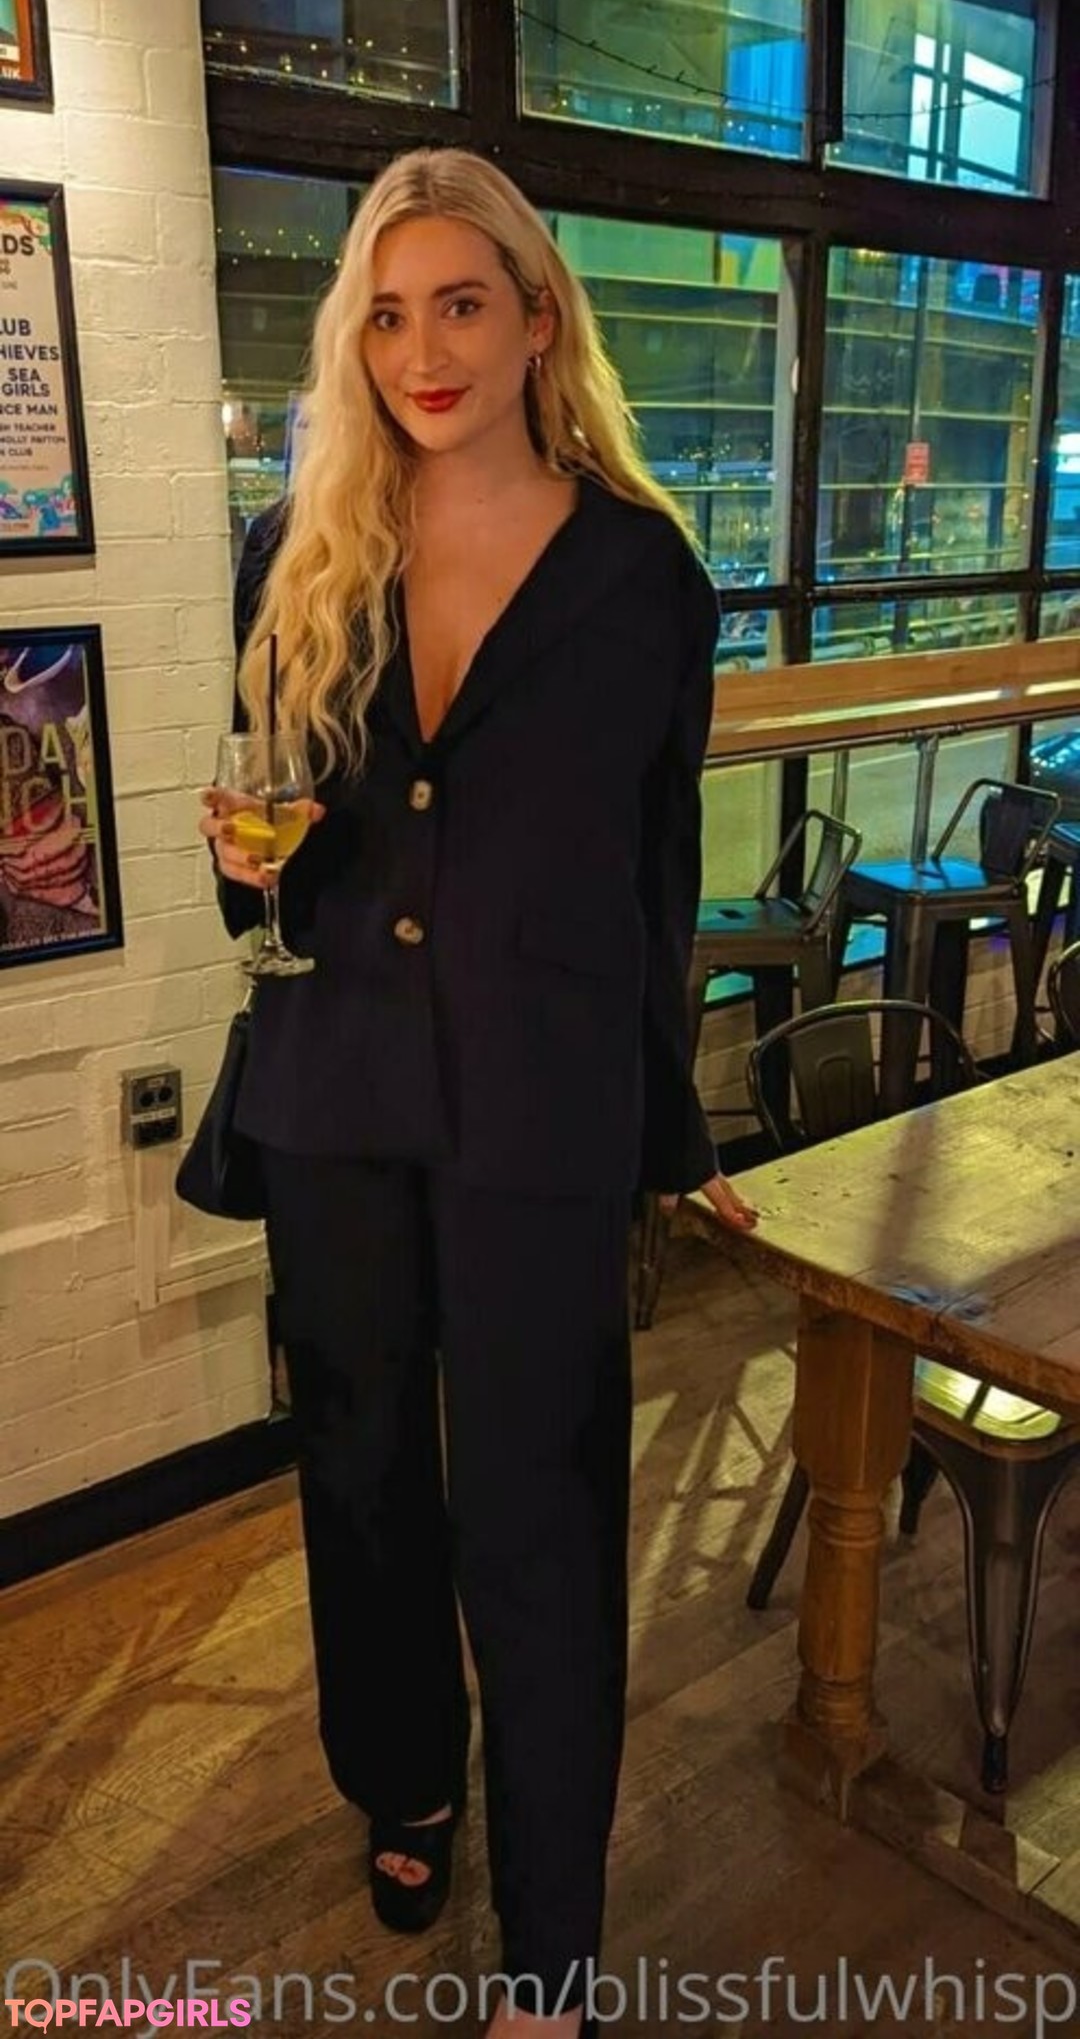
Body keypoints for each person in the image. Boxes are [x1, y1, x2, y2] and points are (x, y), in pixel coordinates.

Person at [200, 147, 757, 2037]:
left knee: (540, 1506)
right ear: (353, 341)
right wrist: (239, 863)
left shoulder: (642, 576)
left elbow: (657, 879)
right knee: (361, 1476)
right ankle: (405, 1777)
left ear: (536, 317)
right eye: (386, 312)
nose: (424, 349)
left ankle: (555, 1951)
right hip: (334, 1090)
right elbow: (268, 846)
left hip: (537, 1113)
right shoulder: (297, 551)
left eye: (459, 302)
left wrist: (668, 1130)